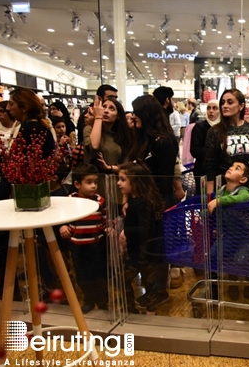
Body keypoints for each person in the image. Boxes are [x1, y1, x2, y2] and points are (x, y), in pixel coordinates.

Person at [117, 161, 168, 314]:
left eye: (123, 179)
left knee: (144, 283)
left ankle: (142, 311)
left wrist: (126, 232)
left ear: (136, 181)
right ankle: (136, 310)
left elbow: (146, 230)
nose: (119, 183)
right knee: (146, 283)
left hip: (143, 254)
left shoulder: (142, 203)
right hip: (140, 252)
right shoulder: (138, 199)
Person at [58, 164, 108, 313]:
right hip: (78, 245)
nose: (93, 186)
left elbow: (104, 218)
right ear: (77, 184)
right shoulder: (69, 201)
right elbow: (63, 217)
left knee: (99, 273)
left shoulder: (99, 200)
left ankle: (103, 301)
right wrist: (63, 226)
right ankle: (89, 299)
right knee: (82, 273)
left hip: (96, 243)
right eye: (89, 182)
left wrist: (108, 227)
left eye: (95, 182)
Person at [204, 88, 249, 193]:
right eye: (223, 103)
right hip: (225, 189)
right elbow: (210, 166)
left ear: (241, 106)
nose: (225, 106)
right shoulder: (215, 131)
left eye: (230, 102)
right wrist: (210, 195)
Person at [129, 94, 179, 205]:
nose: (133, 116)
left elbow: (163, 181)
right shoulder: (144, 138)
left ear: (146, 114)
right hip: (143, 199)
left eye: (136, 112)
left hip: (157, 202)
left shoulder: (165, 142)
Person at [85, 96, 130, 174]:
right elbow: (94, 146)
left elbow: (128, 166)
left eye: (111, 108)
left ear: (118, 115)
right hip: (93, 179)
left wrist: (110, 168)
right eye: (104, 107)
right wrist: (98, 117)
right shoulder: (89, 129)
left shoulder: (122, 136)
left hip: (117, 179)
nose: (106, 111)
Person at [6, 87, 55, 158]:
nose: (7, 108)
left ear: (24, 108)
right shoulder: (36, 126)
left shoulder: (31, 130)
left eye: (11, 104)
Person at [191, 100, 220, 195]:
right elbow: (194, 150)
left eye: (215, 108)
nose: (211, 111)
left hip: (219, 171)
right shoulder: (199, 127)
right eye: (209, 108)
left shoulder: (223, 127)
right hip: (202, 171)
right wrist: (214, 151)